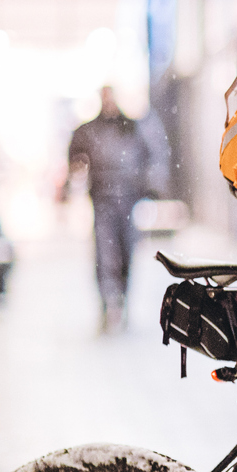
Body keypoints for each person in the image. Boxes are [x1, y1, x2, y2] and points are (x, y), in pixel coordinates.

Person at [61, 86, 153, 332]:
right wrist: (71, 181)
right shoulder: (90, 130)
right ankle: (106, 302)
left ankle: (123, 300)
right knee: (104, 253)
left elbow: (149, 155)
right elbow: (74, 154)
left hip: (127, 199)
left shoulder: (131, 127)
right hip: (102, 200)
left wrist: (146, 185)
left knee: (126, 251)